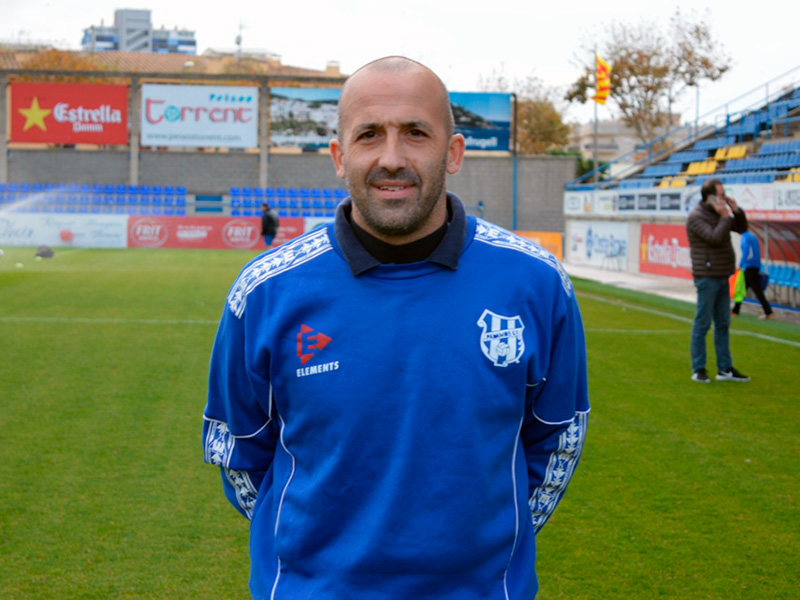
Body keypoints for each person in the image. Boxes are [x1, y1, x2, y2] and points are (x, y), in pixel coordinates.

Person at [203, 56, 589, 600]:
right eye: (368, 135)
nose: (391, 158)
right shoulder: (265, 292)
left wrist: (487, 541)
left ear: (452, 152)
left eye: (415, 134)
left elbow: (558, 439)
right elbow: (239, 451)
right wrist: (317, 553)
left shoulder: (537, 283)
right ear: (339, 156)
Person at [686, 178, 750, 383]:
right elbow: (714, 237)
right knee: (702, 323)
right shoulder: (696, 216)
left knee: (723, 323)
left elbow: (741, 228)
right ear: (710, 197)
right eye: (721, 194)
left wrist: (736, 210)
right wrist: (724, 216)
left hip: (723, 274)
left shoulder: (719, 213)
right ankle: (699, 369)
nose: (724, 198)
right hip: (706, 275)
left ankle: (725, 369)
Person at [732, 227, 773, 319]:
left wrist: (740, 265)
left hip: (750, 267)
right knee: (743, 288)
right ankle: (735, 310)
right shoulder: (753, 237)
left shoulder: (745, 238)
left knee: (756, 290)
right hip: (754, 266)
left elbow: (747, 253)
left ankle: (768, 311)